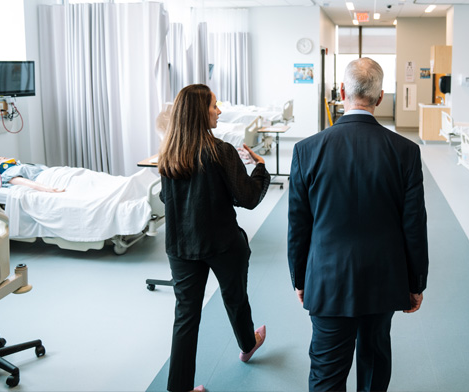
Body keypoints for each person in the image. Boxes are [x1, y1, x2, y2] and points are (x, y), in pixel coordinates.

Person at [287, 57, 429, 391]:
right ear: (380, 98)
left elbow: (299, 225)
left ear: (341, 91)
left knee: (327, 372)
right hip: (383, 278)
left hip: (327, 278)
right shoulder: (405, 151)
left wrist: (300, 277)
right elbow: (414, 225)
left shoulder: (307, 150)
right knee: (375, 358)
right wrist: (416, 282)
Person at [158, 84, 270, 392]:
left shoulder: (168, 154)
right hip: (223, 244)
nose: (219, 111)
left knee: (185, 317)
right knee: (235, 298)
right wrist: (260, 170)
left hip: (181, 248)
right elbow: (246, 198)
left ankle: (178, 389)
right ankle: (248, 345)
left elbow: (166, 198)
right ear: (199, 112)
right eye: (214, 106)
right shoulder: (221, 151)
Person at [0, 156, 65, 193]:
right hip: (48, 179)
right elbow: (24, 182)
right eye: (0, 159)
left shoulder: (21, 166)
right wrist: (48, 189)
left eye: (4, 157)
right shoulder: (8, 173)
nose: (4, 157)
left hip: (55, 172)